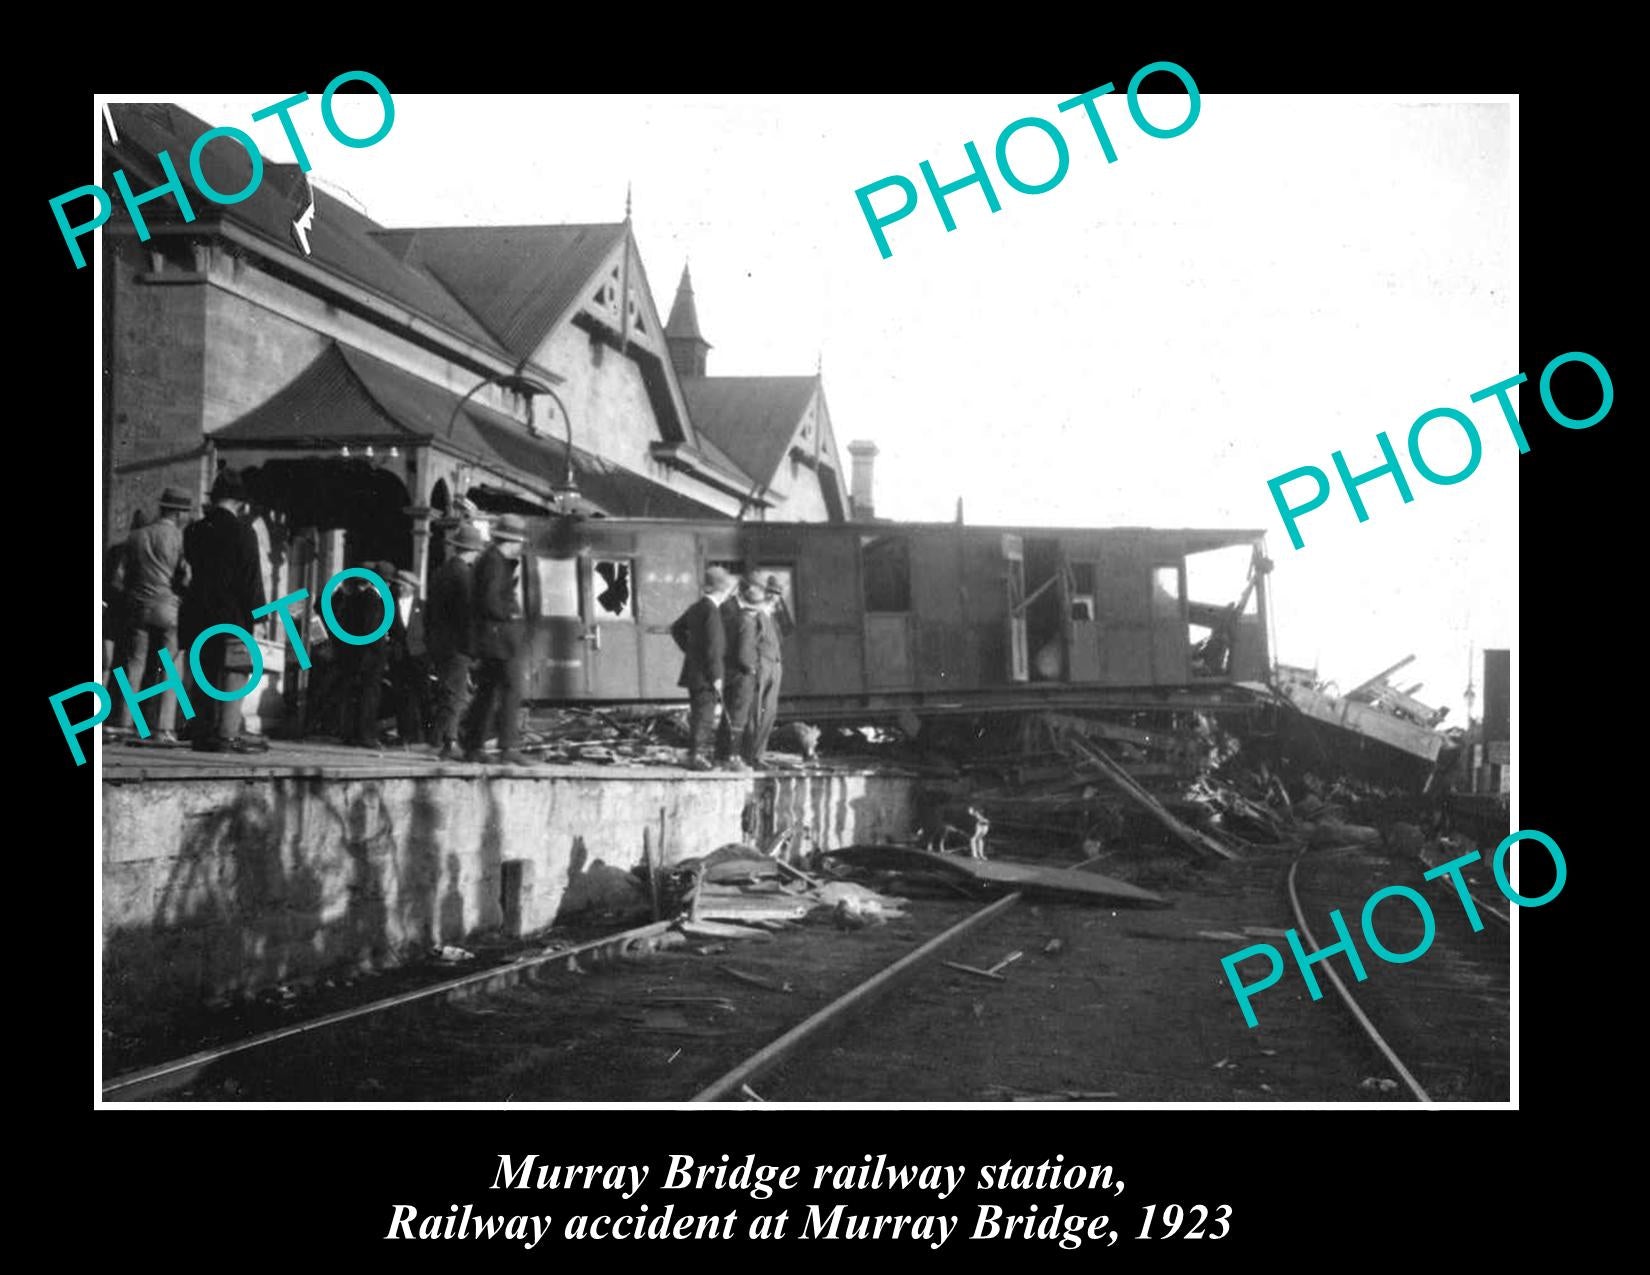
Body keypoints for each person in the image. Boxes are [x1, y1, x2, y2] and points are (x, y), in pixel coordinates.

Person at [180, 470, 269, 753]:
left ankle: (202, 733)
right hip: (232, 614)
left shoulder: (193, 530)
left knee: (202, 671)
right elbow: (250, 577)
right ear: (240, 502)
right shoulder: (243, 532)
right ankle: (227, 735)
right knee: (234, 672)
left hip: (197, 611)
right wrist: (259, 615)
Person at [110, 487, 193, 743]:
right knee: (169, 666)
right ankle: (162, 727)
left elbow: (117, 579)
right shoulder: (179, 539)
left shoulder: (136, 537)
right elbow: (187, 577)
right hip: (168, 608)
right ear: (180, 514)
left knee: (134, 663)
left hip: (138, 606)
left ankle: (123, 723)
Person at [461, 515, 539, 765]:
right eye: (519, 542)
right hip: (501, 640)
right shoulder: (496, 563)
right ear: (511, 541)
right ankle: (508, 747)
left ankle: (473, 746)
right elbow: (491, 601)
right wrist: (513, 613)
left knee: (487, 692)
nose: (520, 547)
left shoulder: (490, 560)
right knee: (512, 689)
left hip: (491, 639)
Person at [427, 523, 483, 760]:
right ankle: (449, 743)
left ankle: (439, 739)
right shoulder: (465, 576)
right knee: (457, 694)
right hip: (457, 645)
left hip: (438, 643)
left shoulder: (440, 572)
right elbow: (467, 618)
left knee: (448, 691)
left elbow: (430, 612)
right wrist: (474, 649)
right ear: (472, 551)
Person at [670, 566, 733, 771]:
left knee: (699, 714)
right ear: (722, 589)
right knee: (704, 717)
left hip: (694, 672)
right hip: (707, 675)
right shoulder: (712, 612)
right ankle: (694, 757)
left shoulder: (697, 607)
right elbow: (714, 649)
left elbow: (676, 628)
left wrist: (691, 652)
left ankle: (694, 754)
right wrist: (717, 677)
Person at [717, 575, 764, 771]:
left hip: (730, 673)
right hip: (742, 675)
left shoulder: (731, 616)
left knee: (728, 717)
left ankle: (722, 756)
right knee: (739, 718)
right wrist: (752, 668)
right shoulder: (747, 620)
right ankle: (733, 759)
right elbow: (745, 655)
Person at [747, 576, 787, 766]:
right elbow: (750, 644)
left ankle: (759, 755)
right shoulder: (757, 615)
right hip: (761, 665)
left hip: (775, 665)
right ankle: (751, 754)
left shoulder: (773, 617)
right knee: (756, 712)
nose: (774, 597)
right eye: (771, 593)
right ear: (764, 593)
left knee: (769, 712)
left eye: (778, 594)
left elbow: (788, 630)